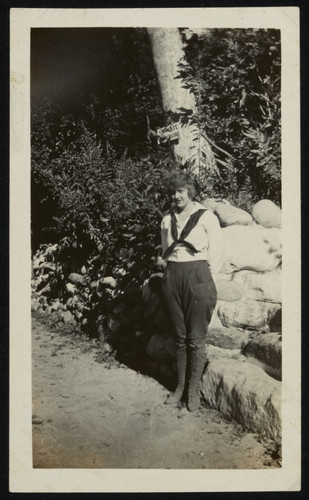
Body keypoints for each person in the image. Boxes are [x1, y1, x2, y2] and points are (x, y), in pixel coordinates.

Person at [158, 170, 223, 412]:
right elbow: (166, 251)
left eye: (180, 191)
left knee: (196, 340)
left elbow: (217, 252)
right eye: (172, 192)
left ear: (189, 192)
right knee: (180, 338)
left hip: (198, 277)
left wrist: (205, 277)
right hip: (173, 276)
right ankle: (179, 388)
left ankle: (193, 391)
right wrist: (167, 274)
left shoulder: (206, 217)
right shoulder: (166, 220)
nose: (176, 196)